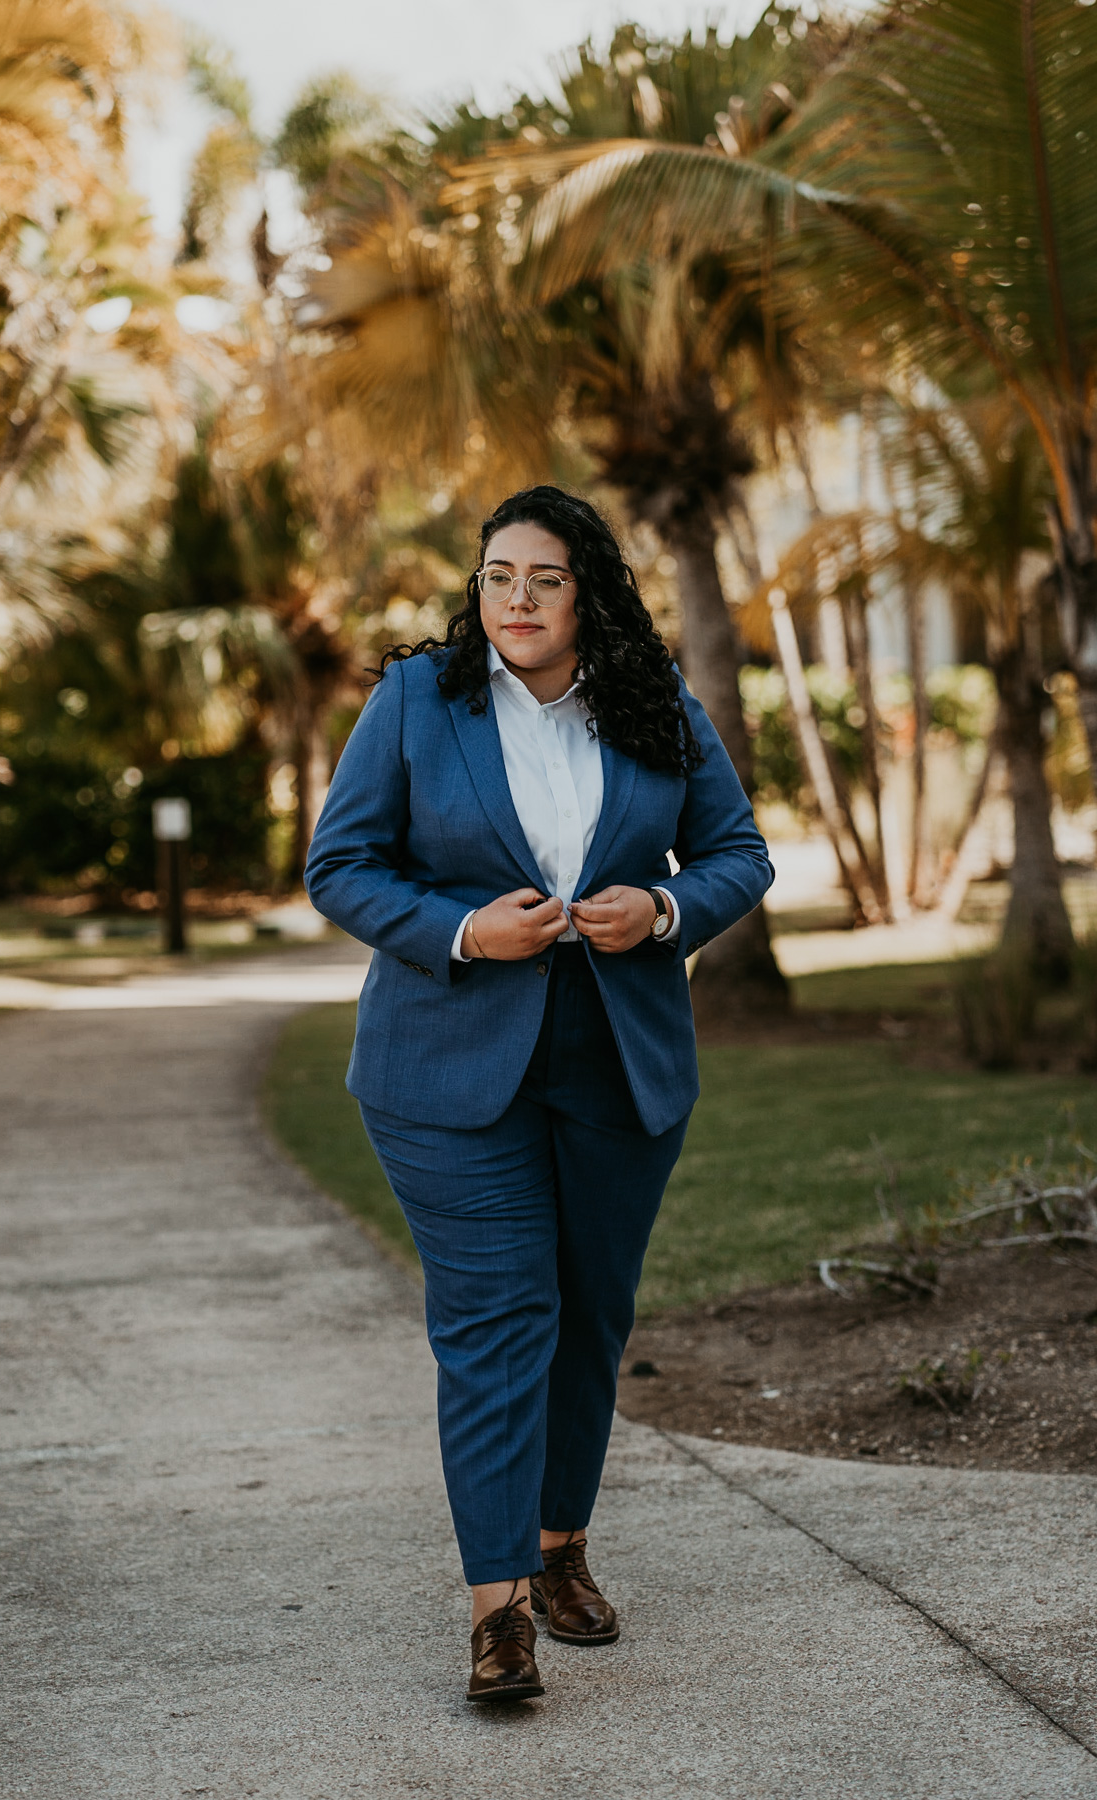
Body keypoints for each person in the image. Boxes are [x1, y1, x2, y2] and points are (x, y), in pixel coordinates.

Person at [305, 485, 773, 1703]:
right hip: (448, 1060)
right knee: (499, 1319)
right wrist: (461, 930)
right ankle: (498, 1608)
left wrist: (665, 909)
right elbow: (340, 864)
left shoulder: (655, 701)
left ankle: (562, 1546)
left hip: (619, 1053)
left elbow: (739, 853)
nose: (514, 599)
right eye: (497, 575)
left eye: (543, 578)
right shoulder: (418, 701)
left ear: (589, 593)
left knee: (589, 1314)